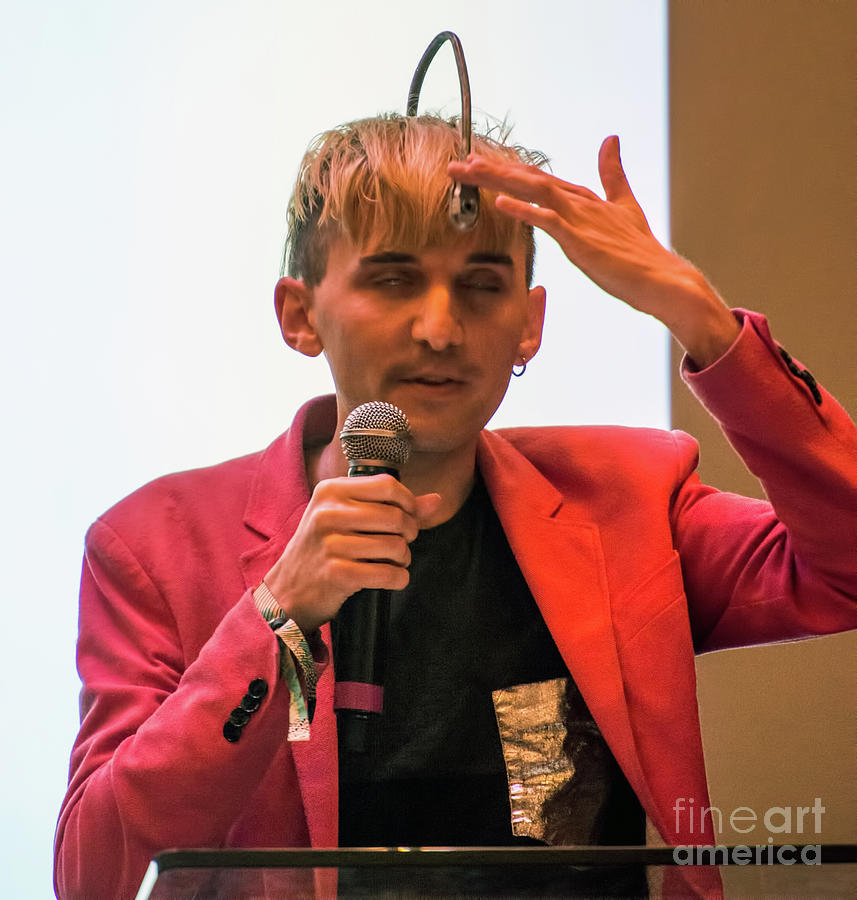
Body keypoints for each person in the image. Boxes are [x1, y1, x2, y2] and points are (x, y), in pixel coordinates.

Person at [54, 113, 857, 899]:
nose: (441, 329)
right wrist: (276, 617)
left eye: (480, 285)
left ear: (529, 326)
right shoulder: (155, 547)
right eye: (393, 279)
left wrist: (699, 317)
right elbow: (96, 876)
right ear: (299, 316)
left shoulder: (627, 503)